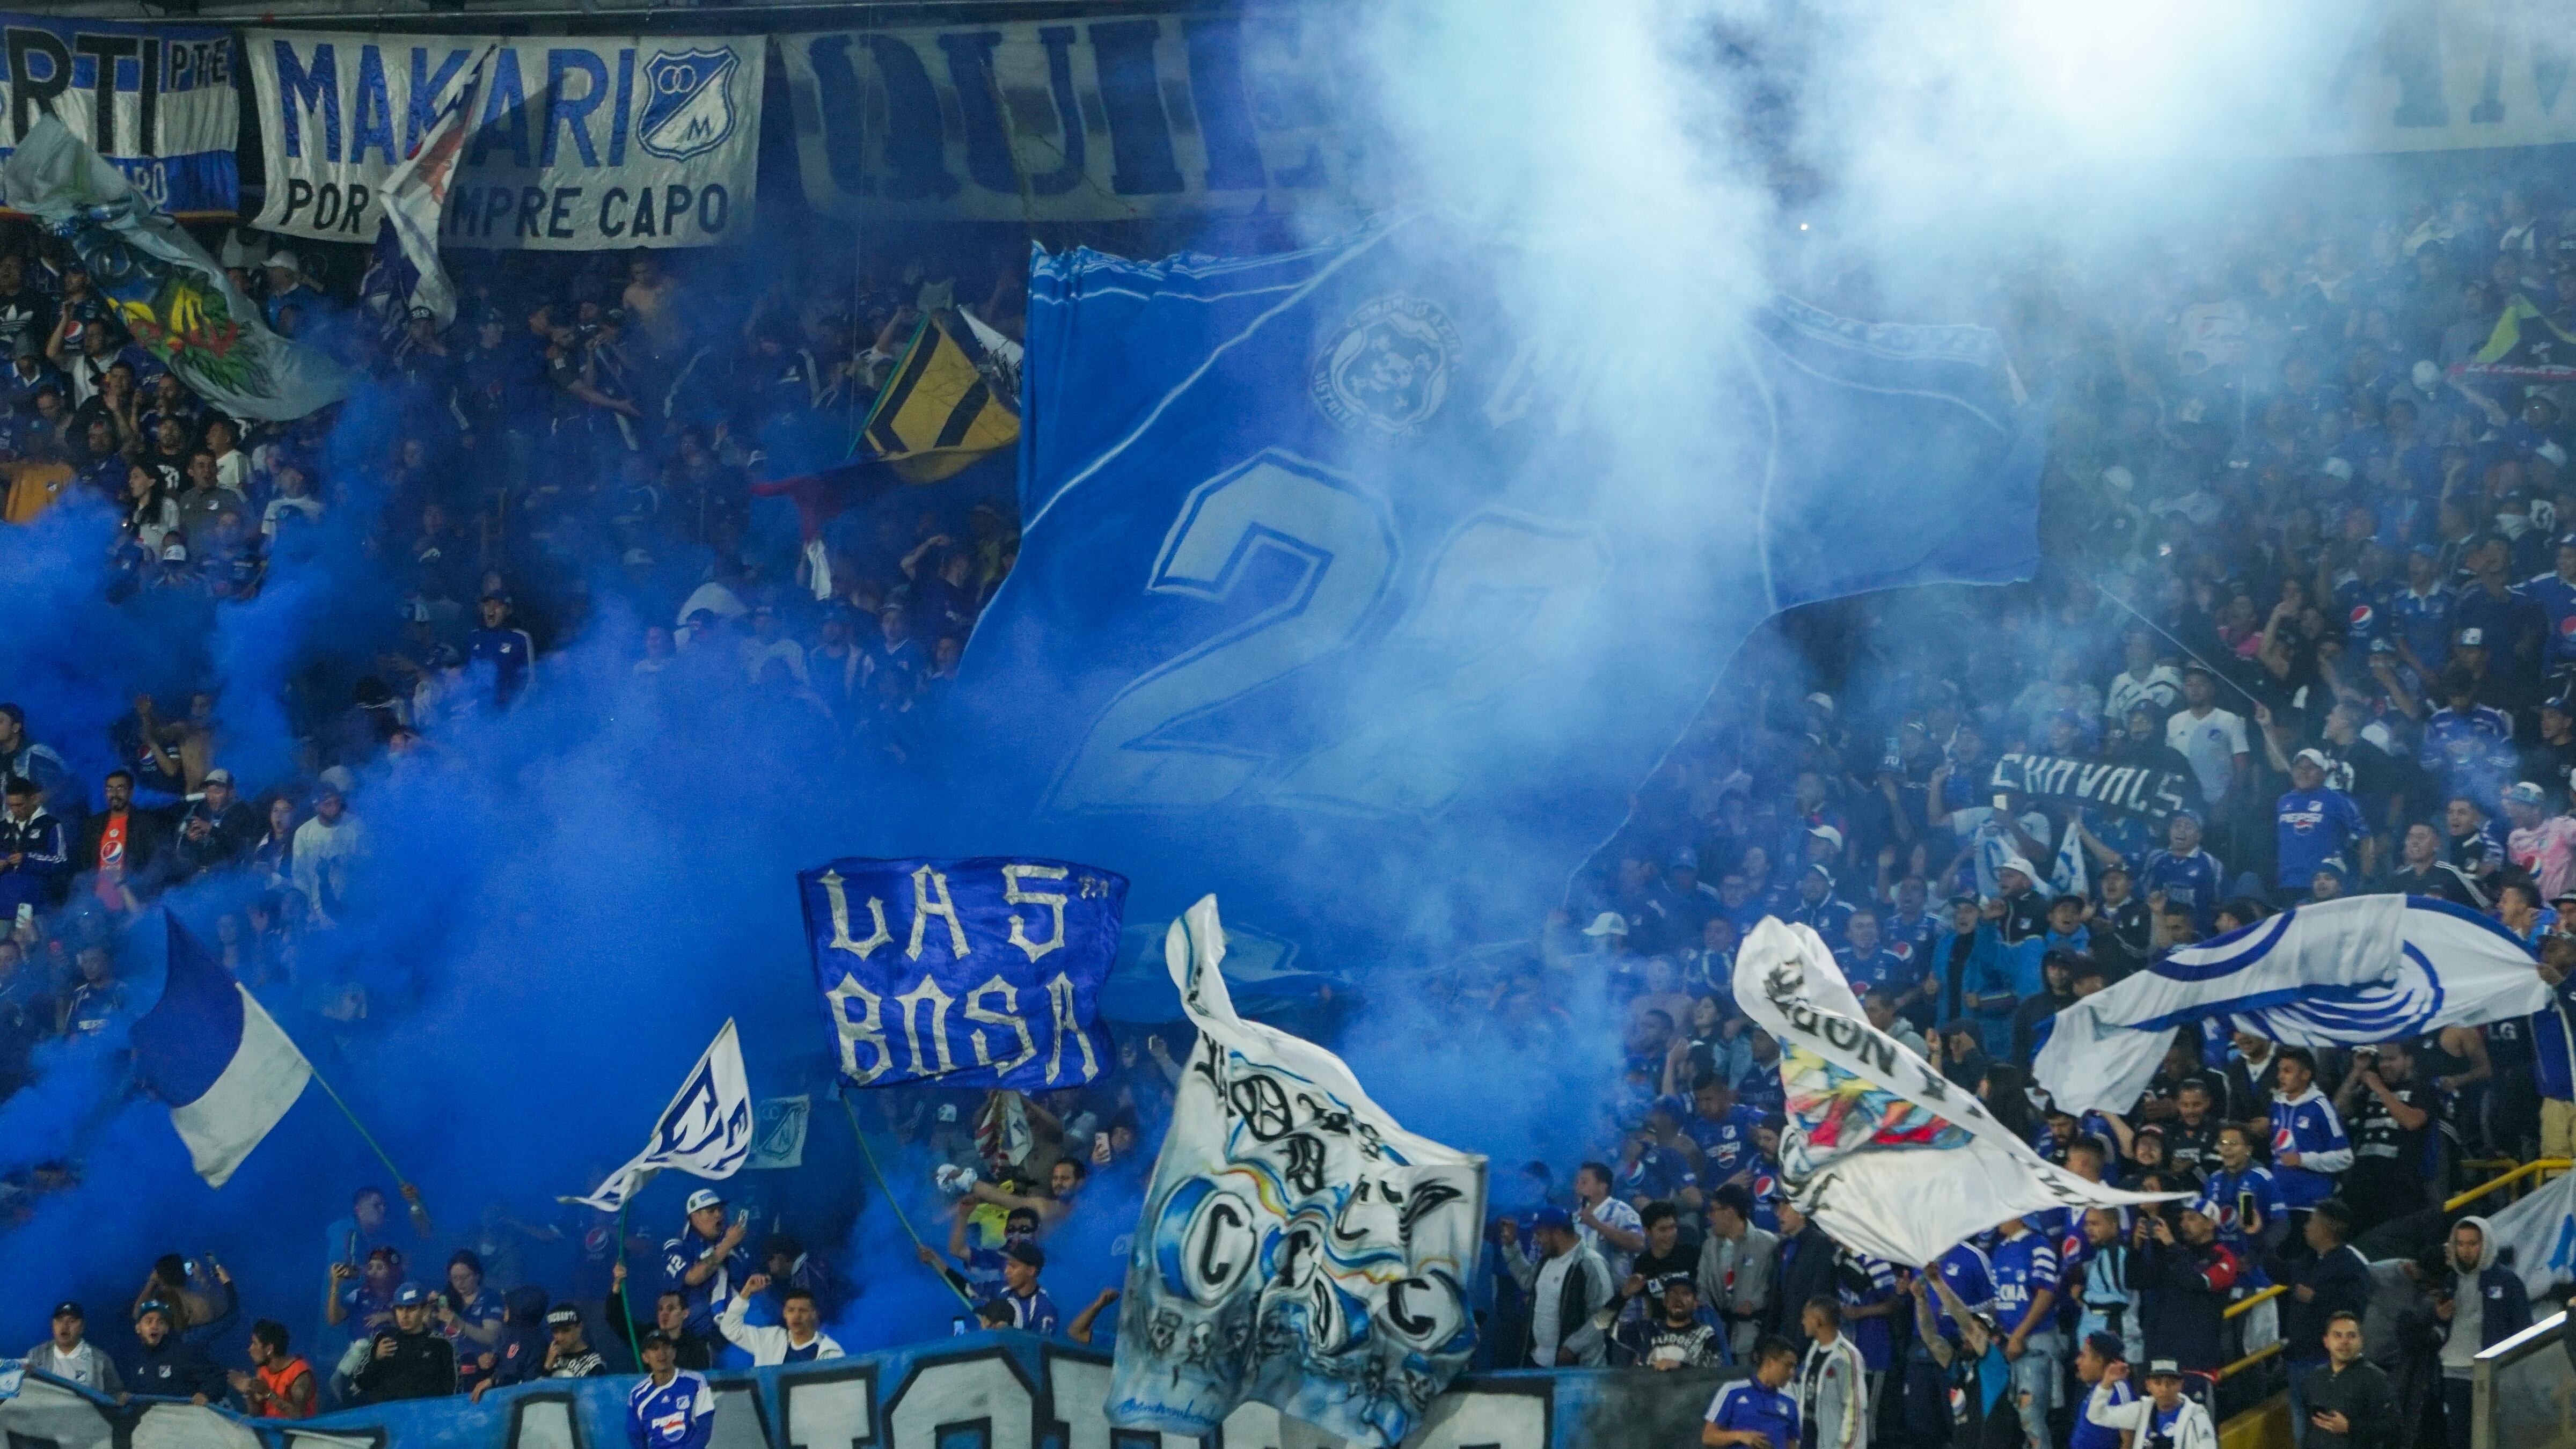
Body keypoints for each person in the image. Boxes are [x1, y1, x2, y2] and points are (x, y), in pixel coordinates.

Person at [2429, 1216, 2531, 1449]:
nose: (2466, 1251)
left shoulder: (2507, 1281)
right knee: (2459, 1437)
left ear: (2486, 1244)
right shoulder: (2450, 1280)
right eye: (2460, 1244)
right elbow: (2442, 1327)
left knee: (2492, 1436)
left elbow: (2523, 1327)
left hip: (2492, 1370)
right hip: (2453, 1369)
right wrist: (2441, 1318)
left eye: (2473, 1244)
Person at [2287, 1202, 2376, 1443]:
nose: (2306, 1227)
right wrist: (2257, 1240)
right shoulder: (2310, 1260)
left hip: (2328, 1362)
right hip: (2299, 1358)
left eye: (2312, 1222)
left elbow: (2355, 1309)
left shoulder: (2351, 1265)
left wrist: (2317, 1299)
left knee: (2328, 1433)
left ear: (2327, 1228)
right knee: (2303, 1435)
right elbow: (2282, 1272)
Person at [1500, 1205, 1613, 1366]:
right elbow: (1527, 1281)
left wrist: (1573, 1347)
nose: (1537, 1241)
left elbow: (1606, 1314)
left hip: (1577, 1367)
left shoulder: (1591, 1264)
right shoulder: (1546, 1261)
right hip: (1538, 1360)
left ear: (1558, 1233)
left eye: (1540, 1234)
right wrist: (1511, 1246)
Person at [1988, 1213, 2061, 1449]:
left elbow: (2046, 1292)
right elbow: (1998, 1298)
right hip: (2007, 1344)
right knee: (2014, 1418)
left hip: (2036, 1342)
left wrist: (2019, 1335)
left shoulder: (2040, 1245)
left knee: (2032, 1416)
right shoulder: (2000, 1250)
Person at [2271, 1048, 2356, 1226]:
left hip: (2311, 1206)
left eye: (2287, 1071)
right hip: (2280, 1204)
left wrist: (2303, 1160)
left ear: (2306, 1075)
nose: (2280, 1076)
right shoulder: (2277, 1106)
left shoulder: (2321, 1107)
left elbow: (2345, 1158)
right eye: (2279, 1070)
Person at [1696, 1184, 1780, 1360]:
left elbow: (1779, 1289)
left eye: (1713, 1210)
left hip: (1755, 1341)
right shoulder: (1709, 1247)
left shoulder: (1768, 1245)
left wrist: (1757, 1303)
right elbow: (1702, 1287)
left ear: (1730, 1212)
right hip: (1718, 1341)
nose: (1709, 1217)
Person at [658, 1189, 753, 1336]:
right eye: (711, 1211)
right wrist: (728, 1244)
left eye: (720, 1210)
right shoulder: (678, 1246)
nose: (719, 1215)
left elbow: (748, 1274)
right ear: (695, 1218)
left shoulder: (730, 1238)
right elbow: (693, 1277)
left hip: (739, 1324)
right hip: (696, 1334)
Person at [349, 1283, 457, 1404]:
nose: (405, 1315)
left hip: (426, 1413)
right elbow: (360, 1384)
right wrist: (376, 1358)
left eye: (411, 1309)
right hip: (387, 1413)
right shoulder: (384, 1338)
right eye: (400, 1309)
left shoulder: (441, 1344)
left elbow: (453, 1392)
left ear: (425, 1310)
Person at [2302, 1311, 2397, 1449]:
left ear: (2361, 1341)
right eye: (2338, 1335)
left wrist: (2350, 1427)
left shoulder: (2375, 1379)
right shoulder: (2315, 1377)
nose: (2344, 1342)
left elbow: (2393, 1428)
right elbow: (2309, 1429)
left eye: (2351, 1336)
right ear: (2326, 1342)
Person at [2085, 1358, 2219, 1449]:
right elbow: (2096, 1416)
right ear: (2148, 1385)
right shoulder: (2142, 1411)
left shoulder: (2197, 1417)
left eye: (2171, 1383)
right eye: (2158, 1383)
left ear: (2181, 1385)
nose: (2164, 1389)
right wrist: (2107, 1384)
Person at [606, 1262, 715, 1371]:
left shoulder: (695, 1346)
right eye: (660, 1309)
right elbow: (615, 1319)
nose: (664, 1313)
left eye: (671, 1308)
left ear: (685, 1314)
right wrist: (617, 1285)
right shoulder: (645, 1335)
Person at [715, 1274, 844, 1365]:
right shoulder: (770, 1339)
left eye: (803, 1311)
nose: (796, 1316)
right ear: (784, 1313)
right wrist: (746, 1292)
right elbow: (729, 1328)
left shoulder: (831, 1352)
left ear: (814, 1314)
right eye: (791, 1310)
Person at [1703, 1335, 1802, 1449]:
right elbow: (1708, 1437)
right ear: (1770, 1363)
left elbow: (1792, 1444)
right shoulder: (1732, 1391)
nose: (1792, 1373)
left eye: (1794, 1367)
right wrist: (1740, 1436)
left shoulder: (1790, 1400)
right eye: (1788, 1366)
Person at [126, 1297, 230, 1404]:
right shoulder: (134, 1359)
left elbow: (217, 1377)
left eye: (161, 1322)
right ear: (138, 1328)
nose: (154, 1326)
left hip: (180, 1413)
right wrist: (125, 1397)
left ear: (166, 1329)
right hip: (147, 1414)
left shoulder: (182, 1354)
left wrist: (205, 1394)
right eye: (149, 1322)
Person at [1796, 1297, 1867, 1449]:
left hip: (1832, 1443)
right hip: (1809, 1437)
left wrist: (1845, 1446)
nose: (1803, 1322)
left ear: (1818, 1321)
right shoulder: (1814, 1350)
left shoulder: (1847, 1357)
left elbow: (1855, 1408)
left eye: (1806, 1317)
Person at [625, 1331, 715, 1449]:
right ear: (645, 1358)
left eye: (666, 1347)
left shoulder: (695, 1381)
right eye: (655, 1349)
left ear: (674, 1353)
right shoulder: (637, 1395)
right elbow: (635, 1436)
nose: (661, 1353)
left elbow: (704, 1429)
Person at [26, 1300, 123, 1395]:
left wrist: (120, 1397)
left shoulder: (100, 1361)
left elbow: (115, 1396)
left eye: (72, 1321)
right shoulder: (36, 1355)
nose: (65, 1326)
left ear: (82, 1327)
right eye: (60, 1321)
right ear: (53, 1325)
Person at [228, 1320, 317, 1419]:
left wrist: (268, 1393)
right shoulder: (264, 1369)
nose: (250, 1349)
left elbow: (299, 1416)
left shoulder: (300, 1375)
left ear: (269, 1349)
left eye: (255, 1344)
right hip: (269, 1427)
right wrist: (247, 1393)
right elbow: (257, 1413)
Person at [2068, 1332, 2136, 1449]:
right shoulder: (2097, 1386)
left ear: (2100, 1360)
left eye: (2083, 1356)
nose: (2078, 1362)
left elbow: (2130, 1441)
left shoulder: (2119, 1388)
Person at [987, 1240, 1059, 1334]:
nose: (1006, 1271)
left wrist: (1008, 1332)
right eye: (1007, 1265)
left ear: (1031, 1271)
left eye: (1013, 1266)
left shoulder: (1044, 1311)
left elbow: (1038, 1343)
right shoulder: (1004, 1292)